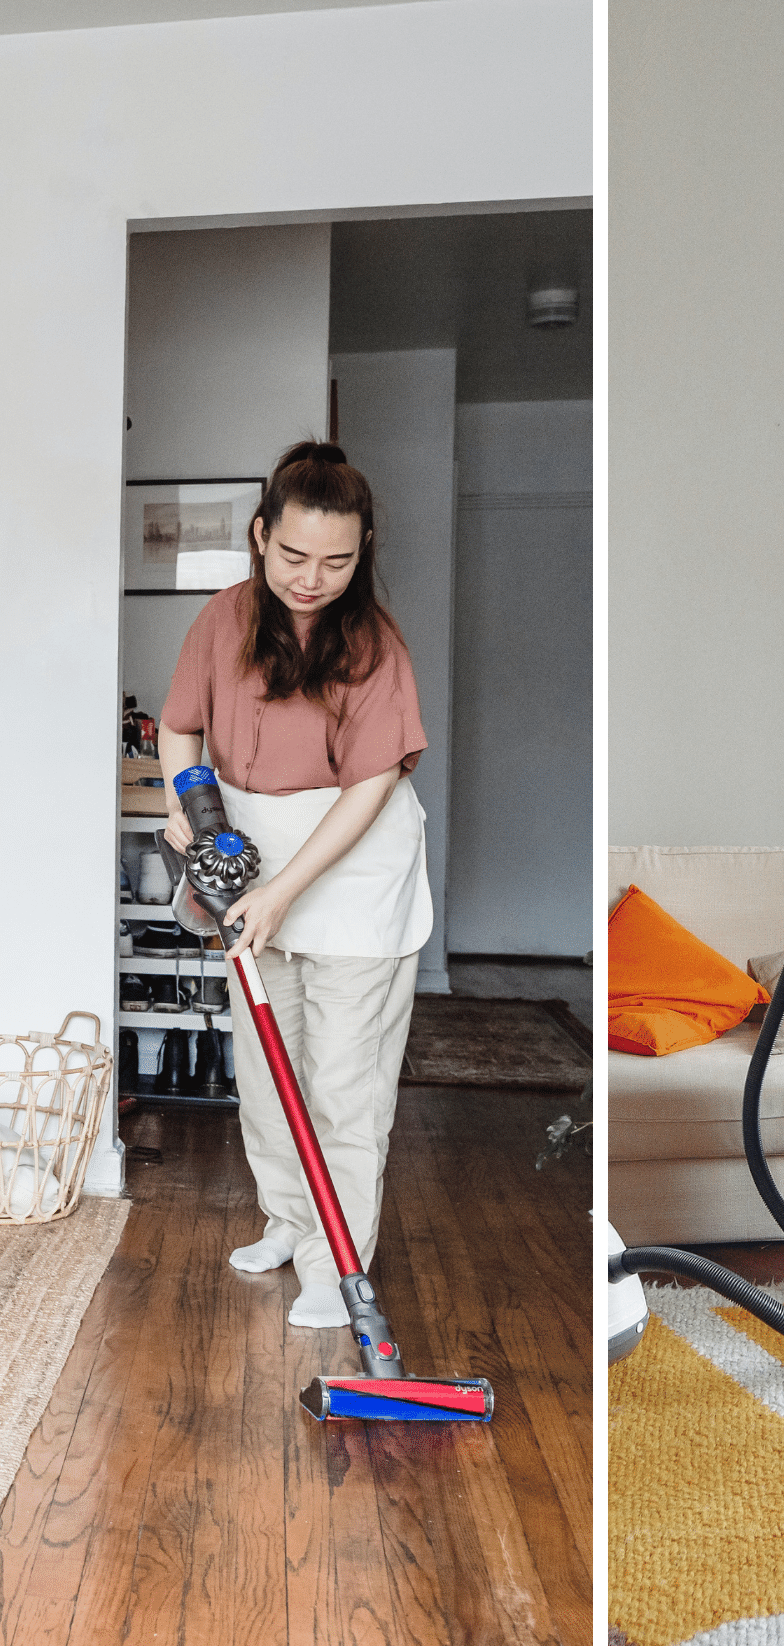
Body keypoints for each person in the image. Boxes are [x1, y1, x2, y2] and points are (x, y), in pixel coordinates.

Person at [158, 440, 432, 1329]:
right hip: (253, 871)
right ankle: (287, 1221)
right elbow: (177, 729)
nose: (313, 579)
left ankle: (335, 1259)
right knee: (266, 1074)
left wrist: (282, 893)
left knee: (343, 1087)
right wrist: (184, 810)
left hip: (351, 876)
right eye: (294, 556)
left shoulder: (371, 642)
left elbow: (370, 787)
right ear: (259, 535)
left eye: (339, 561)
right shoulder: (222, 620)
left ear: (363, 555)